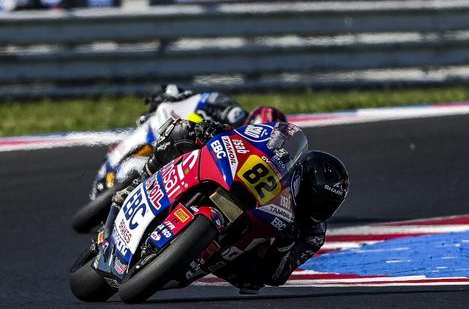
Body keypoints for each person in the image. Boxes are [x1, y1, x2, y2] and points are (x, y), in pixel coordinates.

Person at [130, 109, 349, 293]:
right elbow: (252, 139)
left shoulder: (313, 234)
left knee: (252, 282)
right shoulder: (285, 173)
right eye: (316, 199)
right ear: (301, 181)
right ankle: (137, 184)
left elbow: (278, 276)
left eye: (328, 206)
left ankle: (190, 256)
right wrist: (217, 131)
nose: (318, 209)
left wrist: (284, 246)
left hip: (240, 258)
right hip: (242, 196)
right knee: (183, 133)